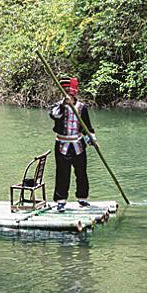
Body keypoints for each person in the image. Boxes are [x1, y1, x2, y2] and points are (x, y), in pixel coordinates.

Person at [48, 77, 96, 210]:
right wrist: (64, 104)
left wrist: (92, 140)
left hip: (78, 145)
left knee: (81, 173)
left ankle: (82, 198)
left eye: (70, 93)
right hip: (62, 144)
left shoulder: (82, 108)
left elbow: (88, 127)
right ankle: (61, 200)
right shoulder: (58, 106)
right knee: (63, 173)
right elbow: (54, 115)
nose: (69, 96)